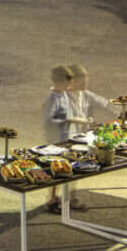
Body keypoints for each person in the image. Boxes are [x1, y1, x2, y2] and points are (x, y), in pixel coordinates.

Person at [42, 65, 73, 214]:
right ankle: (51, 199)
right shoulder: (53, 98)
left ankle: (55, 198)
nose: (69, 86)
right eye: (67, 83)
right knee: (56, 168)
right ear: (59, 82)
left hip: (64, 136)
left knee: (62, 167)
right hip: (56, 138)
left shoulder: (62, 94)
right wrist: (68, 120)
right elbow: (50, 119)